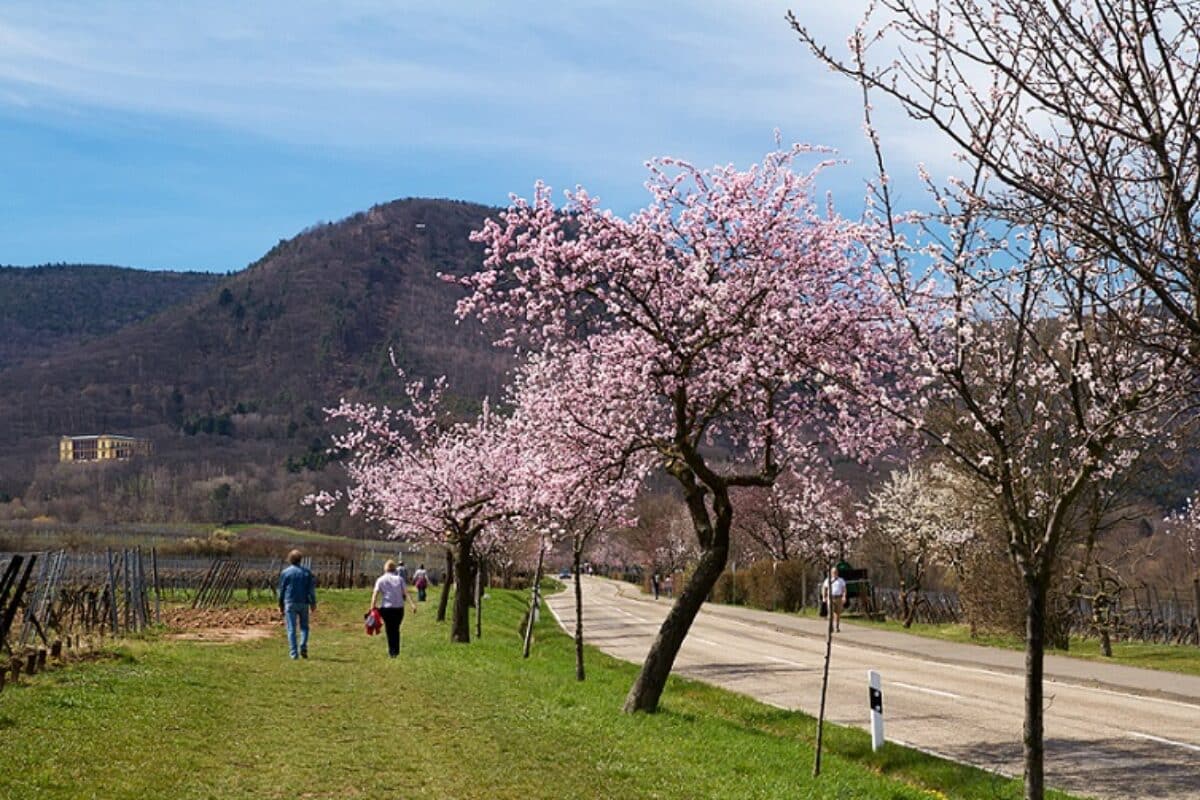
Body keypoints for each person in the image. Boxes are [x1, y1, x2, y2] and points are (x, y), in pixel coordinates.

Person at [371, 559, 415, 658]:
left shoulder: (380, 579)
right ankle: (396, 650)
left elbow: (375, 594)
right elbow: (406, 593)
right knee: (396, 629)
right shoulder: (400, 579)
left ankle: (392, 651)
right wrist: (412, 604)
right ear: (395, 568)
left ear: (385, 568)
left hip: (386, 608)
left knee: (389, 628)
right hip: (399, 608)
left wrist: (372, 607)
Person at [278, 549, 317, 659]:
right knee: (304, 627)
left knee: (291, 628)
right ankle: (303, 644)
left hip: (290, 602)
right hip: (304, 602)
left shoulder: (285, 573)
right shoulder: (307, 572)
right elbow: (311, 590)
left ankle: (294, 653)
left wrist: (280, 604)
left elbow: (282, 590)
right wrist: (313, 602)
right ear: (300, 560)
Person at [821, 566, 847, 632]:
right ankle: (831, 627)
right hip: (830, 598)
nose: (835, 573)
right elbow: (824, 588)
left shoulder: (841, 580)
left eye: (836, 572)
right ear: (831, 573)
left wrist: (844, 597)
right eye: (833, 572)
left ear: (837, 573)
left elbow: (844, 589)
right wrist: (824, 597)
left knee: (837, 614)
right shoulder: (828, 580)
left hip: (838, 598)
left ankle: (837, 627)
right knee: (830, 613)